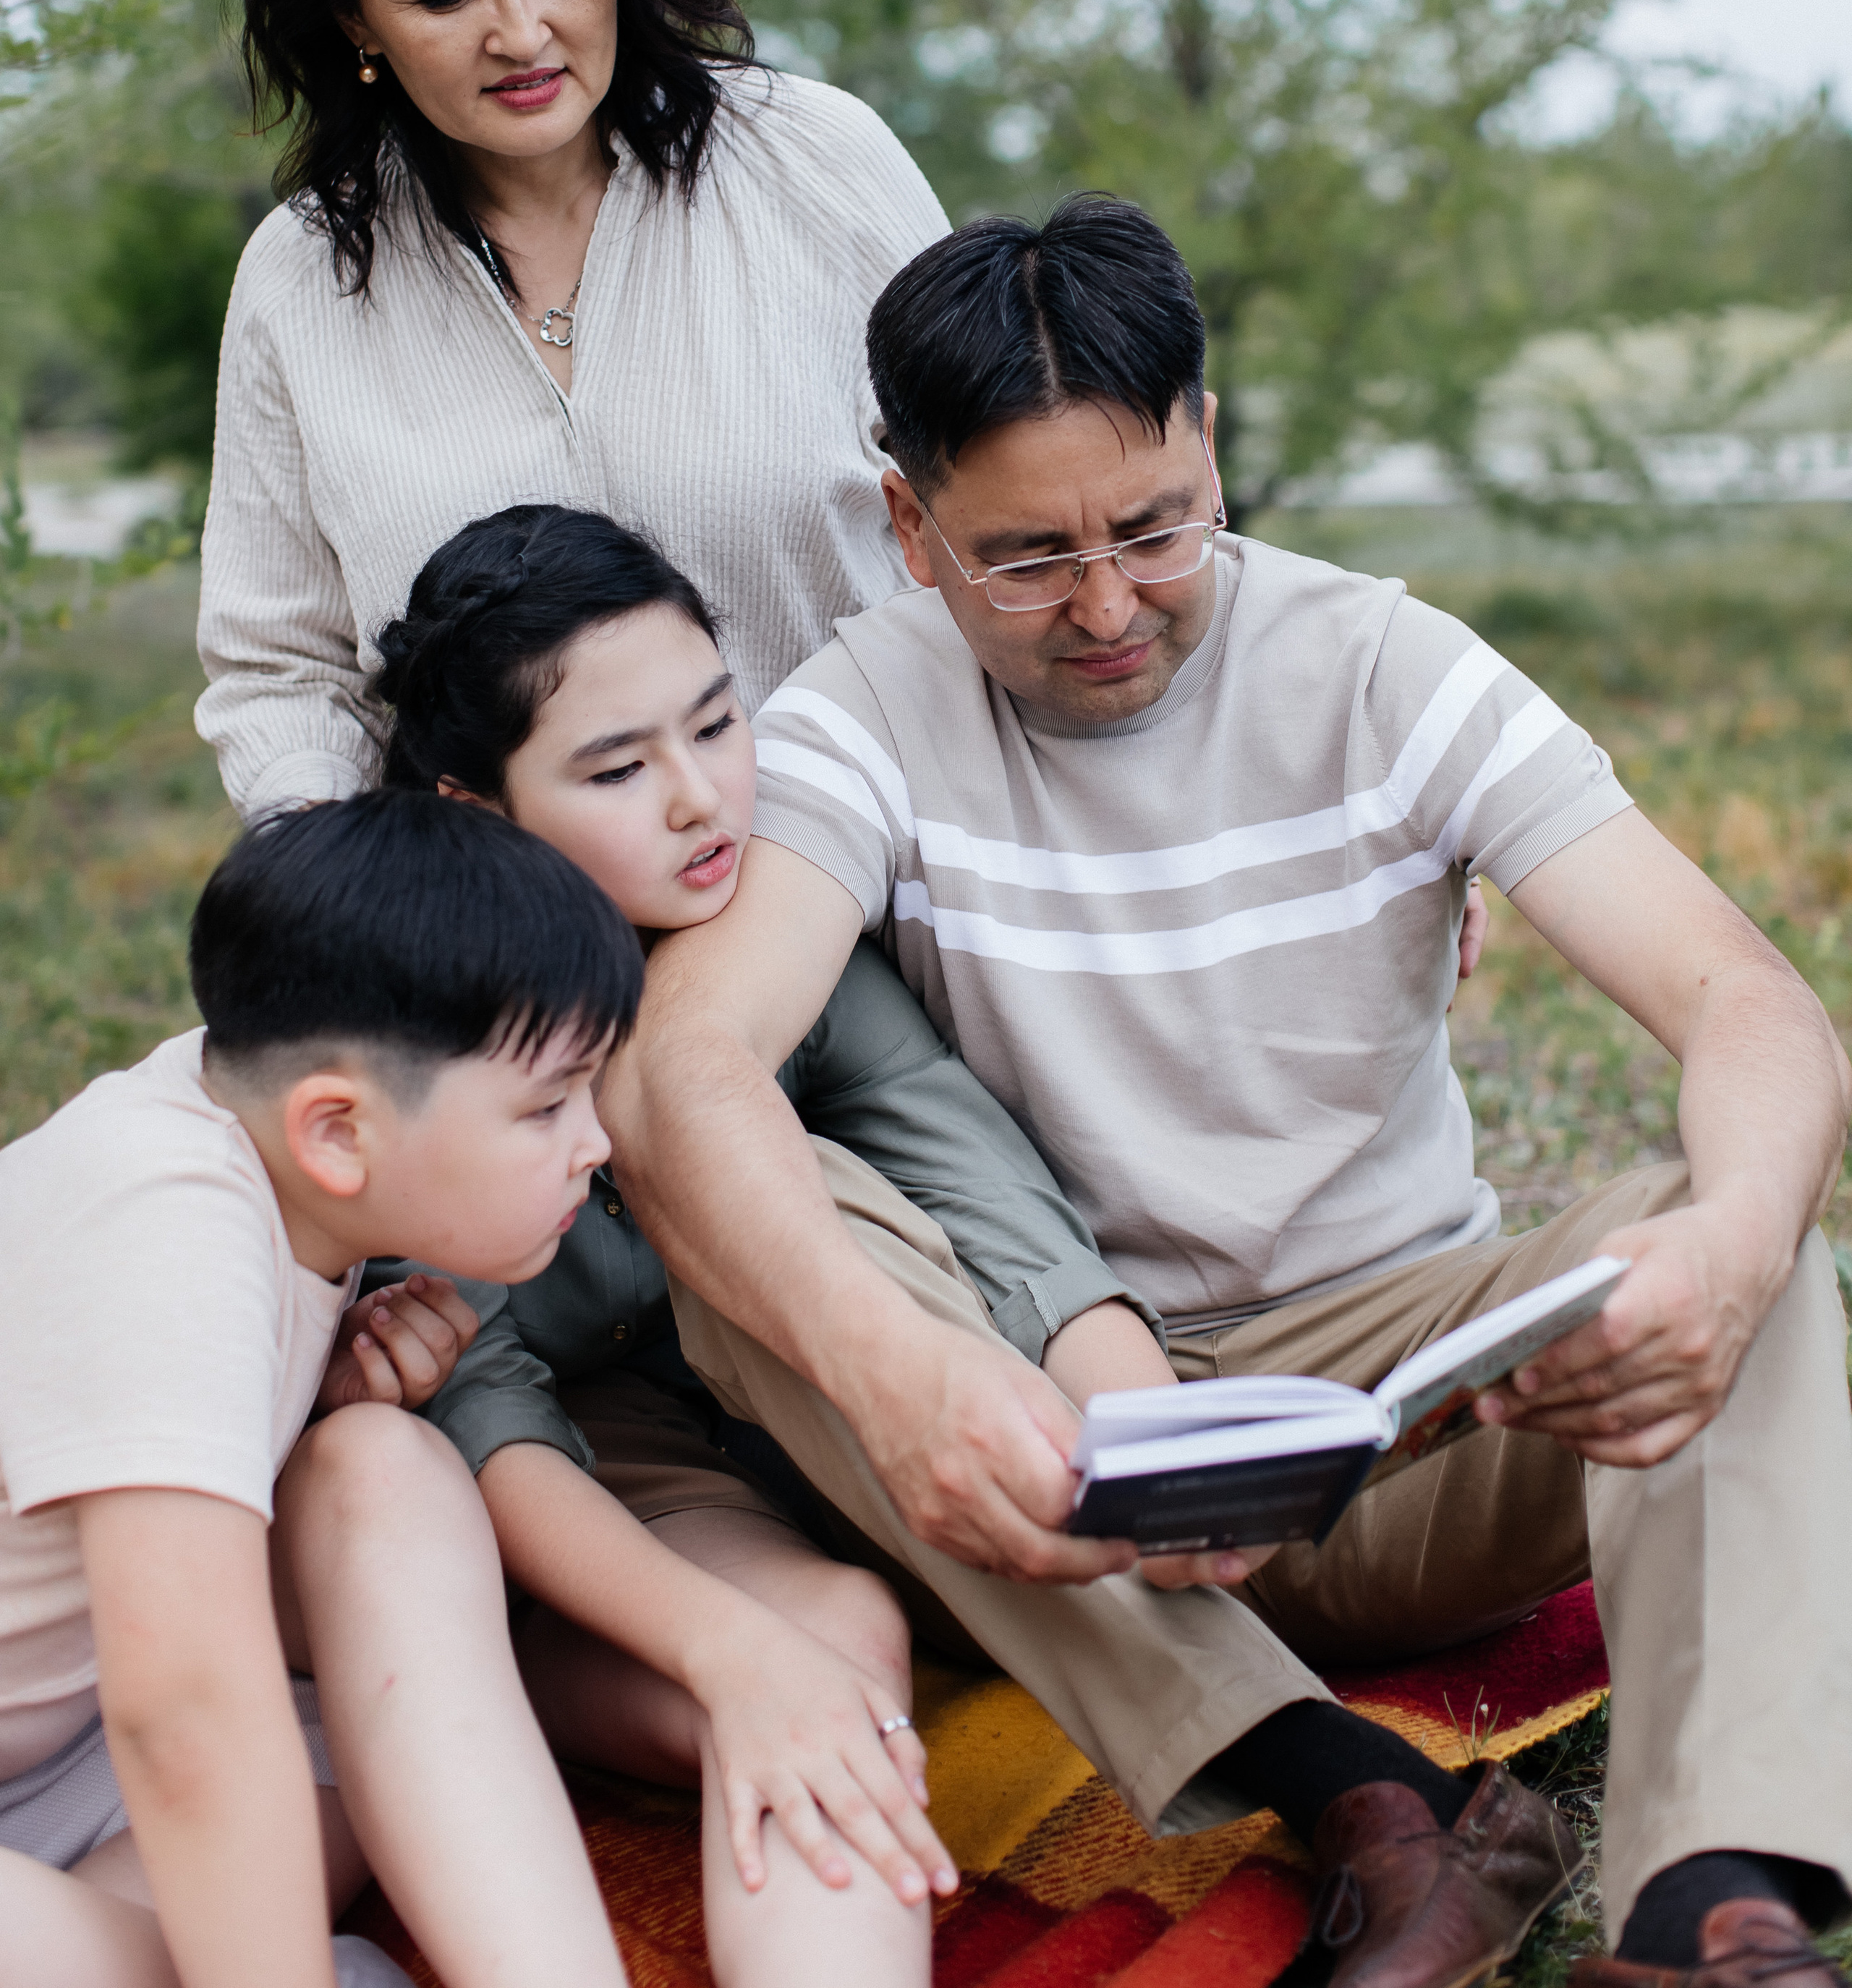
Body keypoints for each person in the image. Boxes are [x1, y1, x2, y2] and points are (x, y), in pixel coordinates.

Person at [598, 195, 1852, 1988]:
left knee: (1743, 1240)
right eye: (1023, 557)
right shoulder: (859, 710)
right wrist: (900, 1380)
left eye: (1154, 527)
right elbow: (683, 1074)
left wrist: (1722, 1245)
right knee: (763, 1234)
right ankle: (1351, 1798)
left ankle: (1696, 1913)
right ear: (907, 527)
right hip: (1057, 1448)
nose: (1106, 604)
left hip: (1411, 1423)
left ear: (1208, 438)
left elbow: (1747, 1003)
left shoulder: (1381, 665)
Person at [361, 501, 1198, 1984]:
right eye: (618, 769)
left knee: (839, 1645)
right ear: (478, 812)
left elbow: (954, 1151)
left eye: (714, 724)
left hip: (750, 1444)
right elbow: (494, 1425)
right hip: (542, 1516)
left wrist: (1144, 1424)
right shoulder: (419, 1025)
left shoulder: (765, 919)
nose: (700, 800)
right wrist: (720, 1648)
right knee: (804, 1661)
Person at [197, 0, 947, 820]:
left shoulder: (817, 162)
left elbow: (986, 516)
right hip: (494, 941)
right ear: (356, 19)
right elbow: (280, 671)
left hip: (848, 873)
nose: (520, 32)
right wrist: (336, 878)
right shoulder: (299, 277)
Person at [0, 789, 642, 1988]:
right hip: (114, 1719)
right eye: (549, 1105)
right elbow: (184, 1704)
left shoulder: (283, 1176)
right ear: (336, 1133)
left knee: (382, 1472)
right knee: (219, 1878)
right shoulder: (162, 1220)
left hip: (69, 1733)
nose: (594, 1140)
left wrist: (315, 1404)